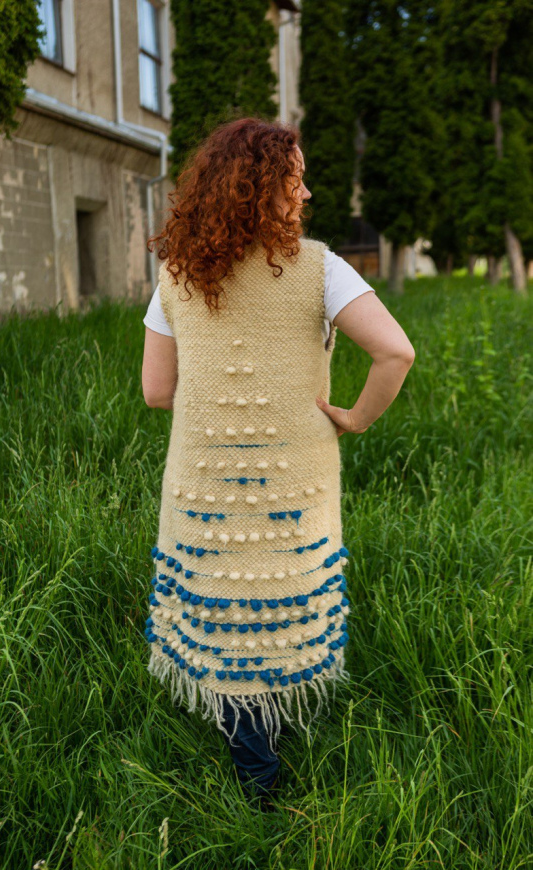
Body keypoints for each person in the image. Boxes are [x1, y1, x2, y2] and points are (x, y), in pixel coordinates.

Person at [141, 117, 415, 806]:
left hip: (203, 485)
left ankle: (253, 765)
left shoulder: (176, 274)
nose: (308, 193)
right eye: (296, 180)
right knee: (278, 600)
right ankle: (263, 778)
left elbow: (156, 392)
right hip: (295, 481)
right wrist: (354, 417)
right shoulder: (321, 269)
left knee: (223, 605)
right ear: (261, 188)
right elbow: (395, 352)